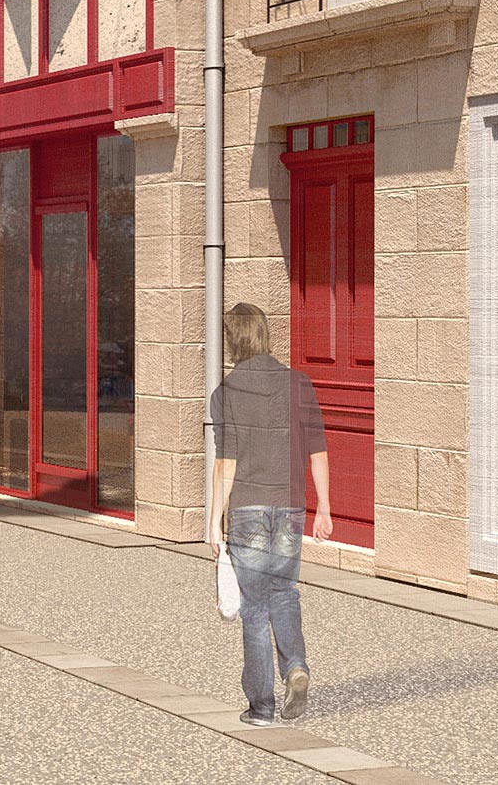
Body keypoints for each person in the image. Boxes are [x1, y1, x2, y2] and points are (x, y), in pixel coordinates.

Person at [213, 302, 331, 727]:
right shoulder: (298, 384)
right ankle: (296, 667)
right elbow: (318, 451)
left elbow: (226, 464)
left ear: (232, 340)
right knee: (284, 593)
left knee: (254, 608)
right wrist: (325, 508)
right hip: (291, 507)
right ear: (264, 336)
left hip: (247, 508)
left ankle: (261, 708)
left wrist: (214, 521)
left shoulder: (226, 392)